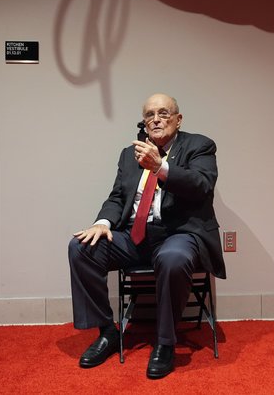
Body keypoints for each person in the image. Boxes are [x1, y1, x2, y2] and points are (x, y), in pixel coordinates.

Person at [68, 93, 226, 379]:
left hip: (178, 234)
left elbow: (202, 185)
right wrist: (102, 222)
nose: (156, 119)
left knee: (173, 257)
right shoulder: (130, 154)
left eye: (164, 113)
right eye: (150, 114)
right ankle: (107, 332)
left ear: (178, 120)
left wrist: (161, 167)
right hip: (134, 236)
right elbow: (118, 196)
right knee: (81, 247)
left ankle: (165, 342)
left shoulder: (199, 146)